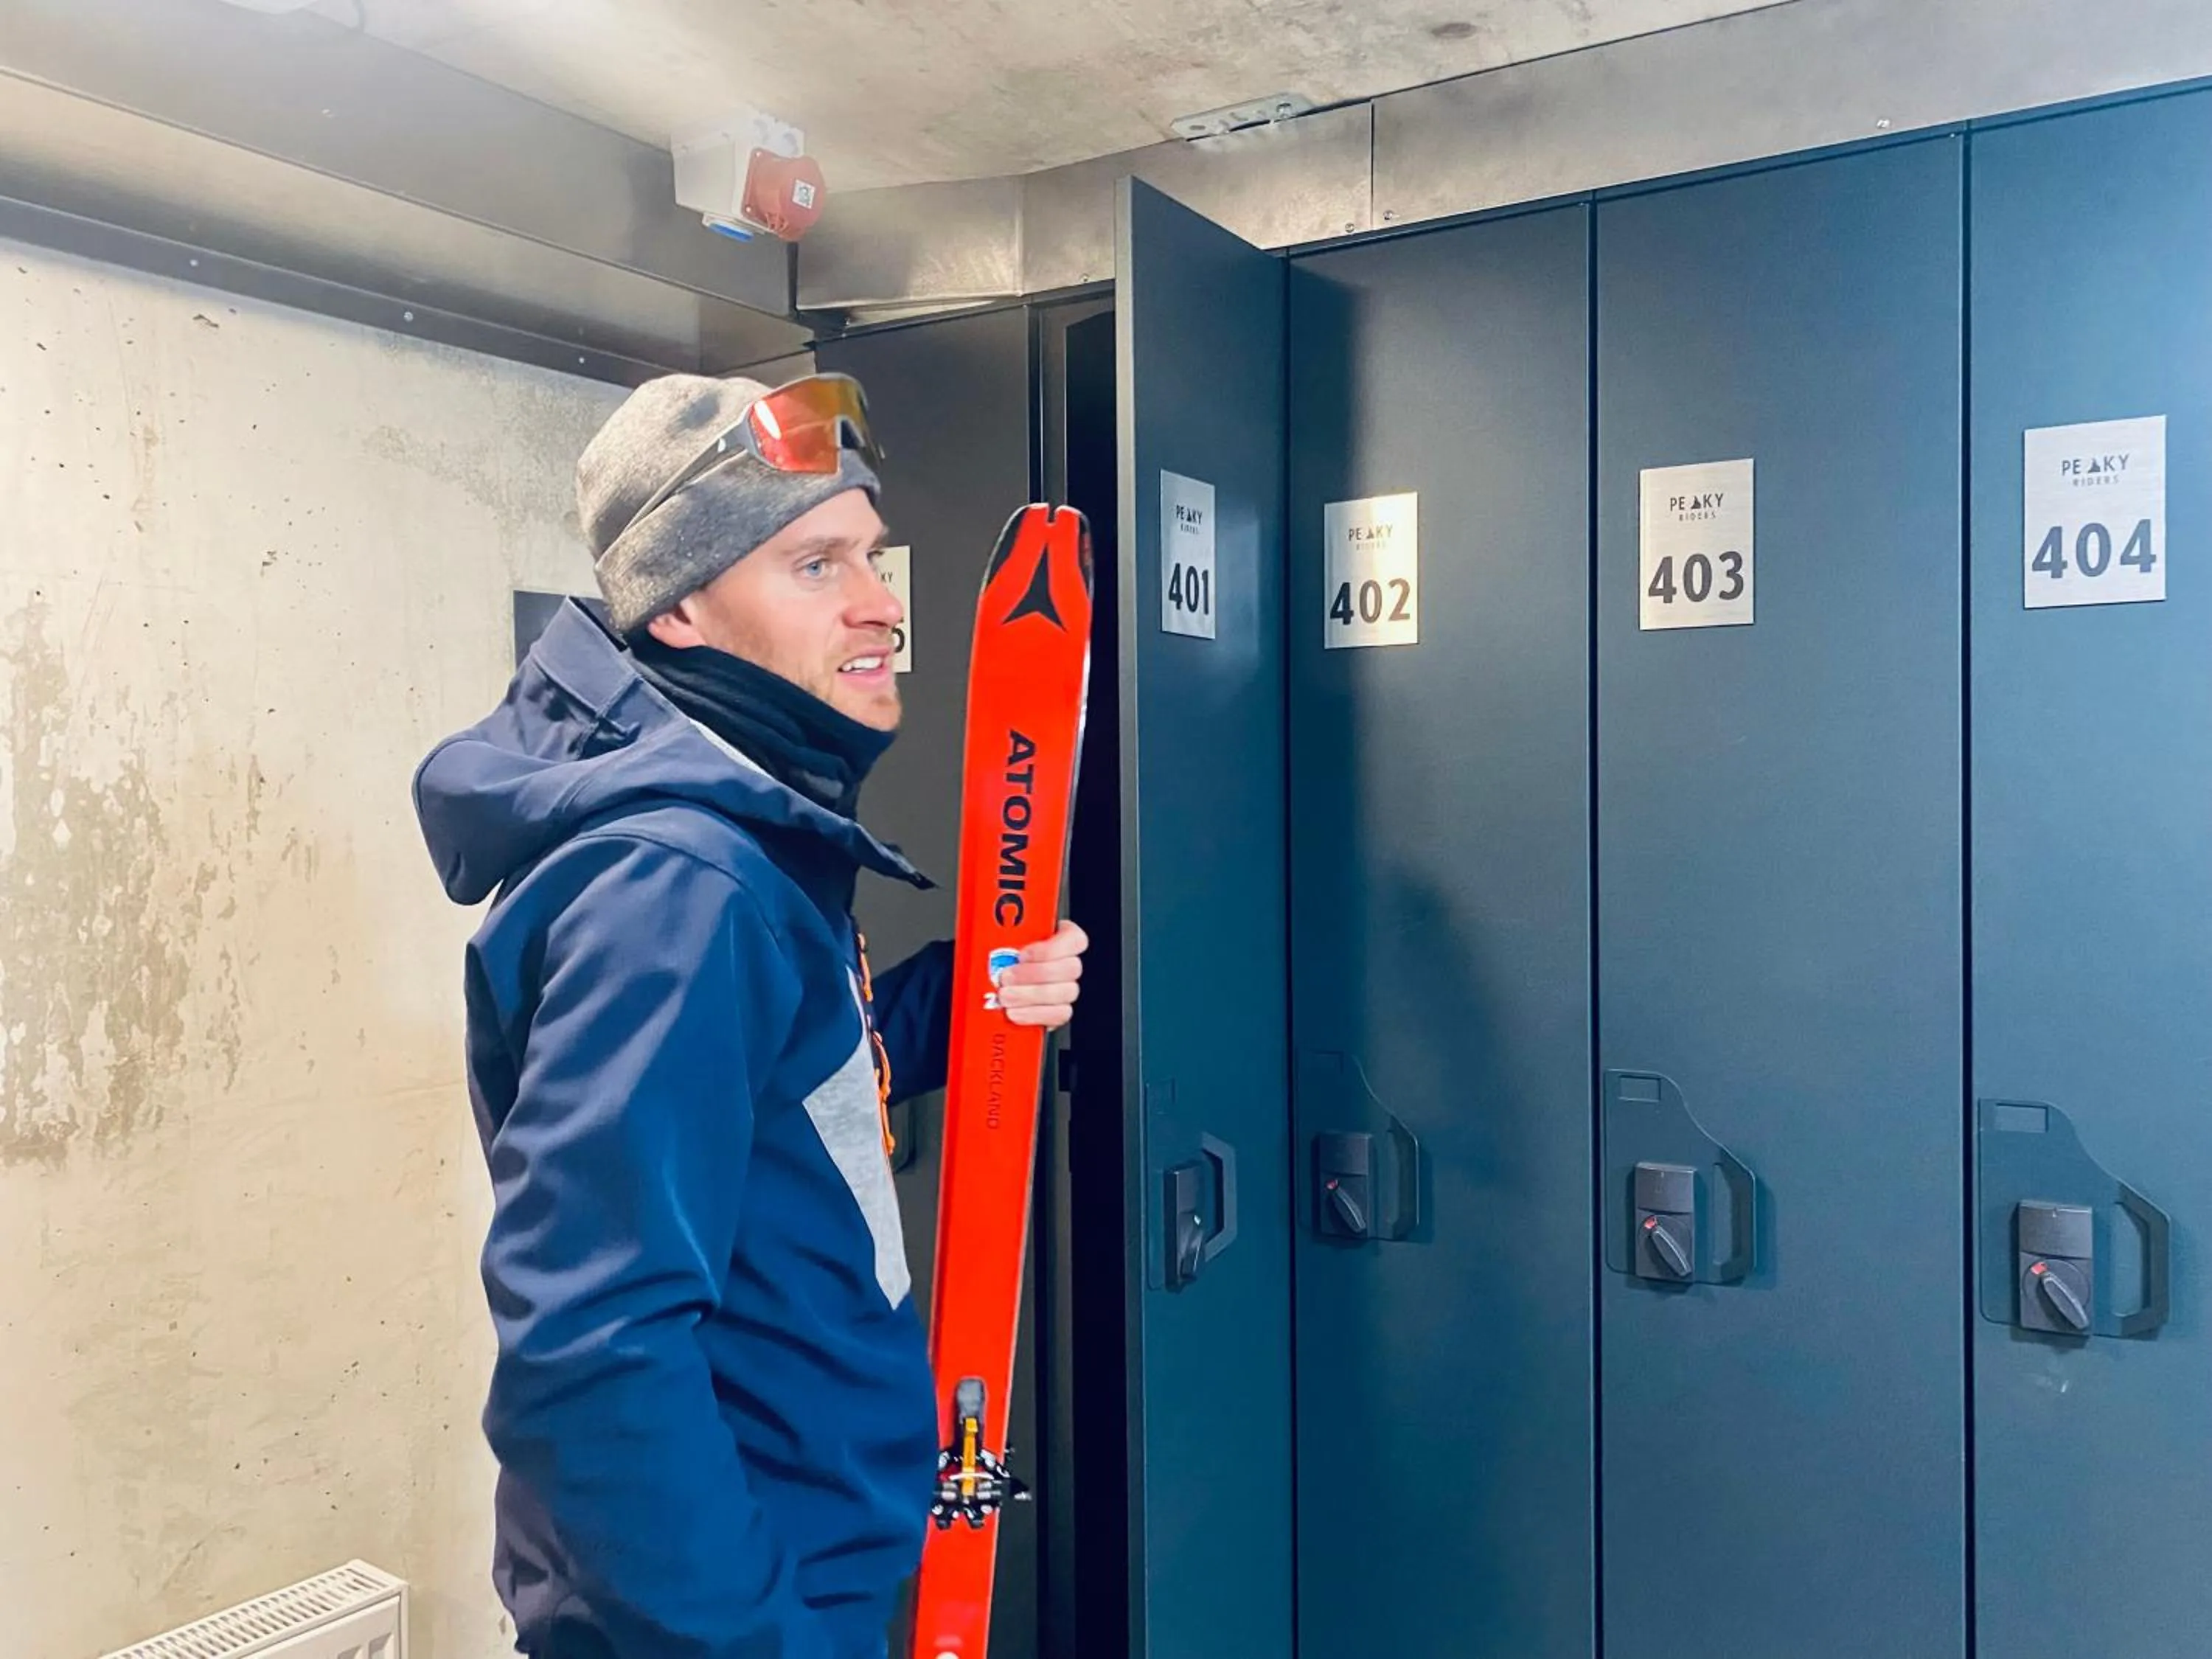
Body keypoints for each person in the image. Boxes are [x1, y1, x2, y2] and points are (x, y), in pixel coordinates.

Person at [411, 370, 1088, 1659]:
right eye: (817, 564)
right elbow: (593, 1348)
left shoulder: (743, 843)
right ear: (681, 608)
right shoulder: (683, 884)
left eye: (873, 556)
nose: (881, 601)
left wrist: (960, 1002)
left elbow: (771, 1087)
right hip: (725, 1620)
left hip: (769, 1584)